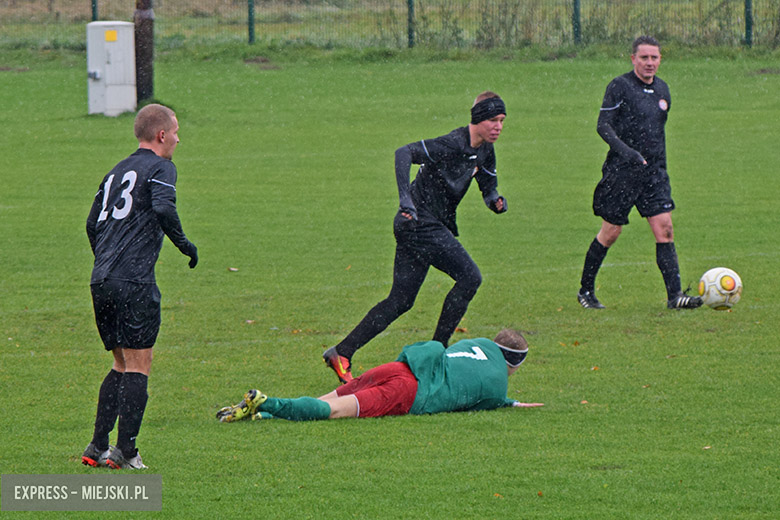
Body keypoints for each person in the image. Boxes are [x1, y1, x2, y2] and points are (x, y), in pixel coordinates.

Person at [322, 92, 509, 384]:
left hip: (420, 226)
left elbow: (488, 187)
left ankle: (342, 352)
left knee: (400, 300)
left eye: (501, 121)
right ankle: (436, 354)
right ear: (477, 119)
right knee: (470, 277)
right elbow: (403, 153)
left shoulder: (485, 150)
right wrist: (405, 198)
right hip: (419, 223)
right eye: (492, 120)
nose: (498, 126)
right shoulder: (451, 143)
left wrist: (495, 201)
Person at [81, 103, 198, 470]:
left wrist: (107, 261)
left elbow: (91, 224)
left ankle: (97, 446)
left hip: (101, 280)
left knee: (120, 362)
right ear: (161, 135)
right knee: (139, 364)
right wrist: (185, 245)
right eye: (176, 131)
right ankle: (126, 452)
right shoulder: (162, 167)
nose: (179, 138)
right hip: (133, 282)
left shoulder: (115, 171)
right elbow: (163, 208)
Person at [577, 36, 702, 310]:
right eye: (644, 58)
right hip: (622, 172)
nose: (649, 63)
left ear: (660, 60)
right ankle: (586, 290)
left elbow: (655, 132)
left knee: (665, 229)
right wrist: (627, 152)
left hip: (654, 174)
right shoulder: (619, 87)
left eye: (654, 58)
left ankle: (675, 296)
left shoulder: (663, 90)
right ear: (633, 59)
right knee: (610, 232)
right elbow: (603, 126)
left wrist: (654, 162)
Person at [217, 329, 542, 423]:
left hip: (399, 367)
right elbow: (487, 400)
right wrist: (510, 403)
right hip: (408, 391)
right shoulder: (499, 384)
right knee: (333, 412)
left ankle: (265, 412)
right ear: (514, 364)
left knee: (328, 400)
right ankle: (266, 401)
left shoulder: (480, 343)